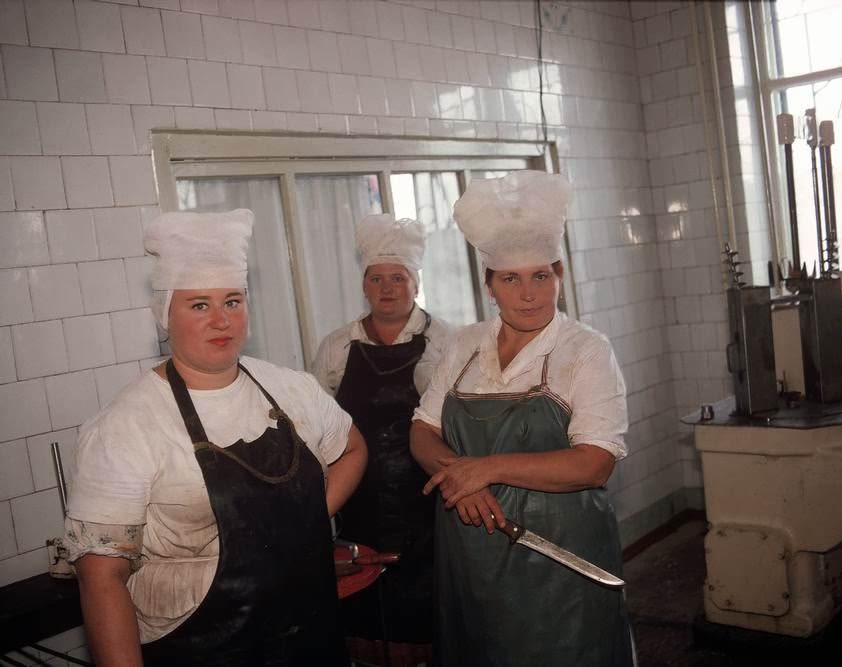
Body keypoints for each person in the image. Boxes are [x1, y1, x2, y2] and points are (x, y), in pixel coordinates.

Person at [65, 209, 367, 667]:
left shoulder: (291, 388)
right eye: (199, 305)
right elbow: (101, 576)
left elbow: (352, 449)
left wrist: (304, 519)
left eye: (233, 301)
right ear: (166, 315)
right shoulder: (127, 425)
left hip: (309, 632)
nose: (222, 320)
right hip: (198, 644)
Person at [410, 171, 631, 666]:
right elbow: (422, 430)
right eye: (511, 278)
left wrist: (484, 470)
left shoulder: (586, 351)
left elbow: (593, 463)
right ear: (490, 285)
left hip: (557, 554)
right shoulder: (464, 345)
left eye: (541, 276)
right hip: (471, 552)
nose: (529, 293)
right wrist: (458, 478)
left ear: (559, 277)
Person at [312, 213, 451, 664]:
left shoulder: (447, 342)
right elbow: (317, 425)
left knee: (430, 608)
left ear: (415, 284)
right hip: (358, 499)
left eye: (398, 277)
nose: (387, 288)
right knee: (364, 606)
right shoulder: (337, 347)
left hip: (430, 498)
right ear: (364, 285)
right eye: (376, 278)